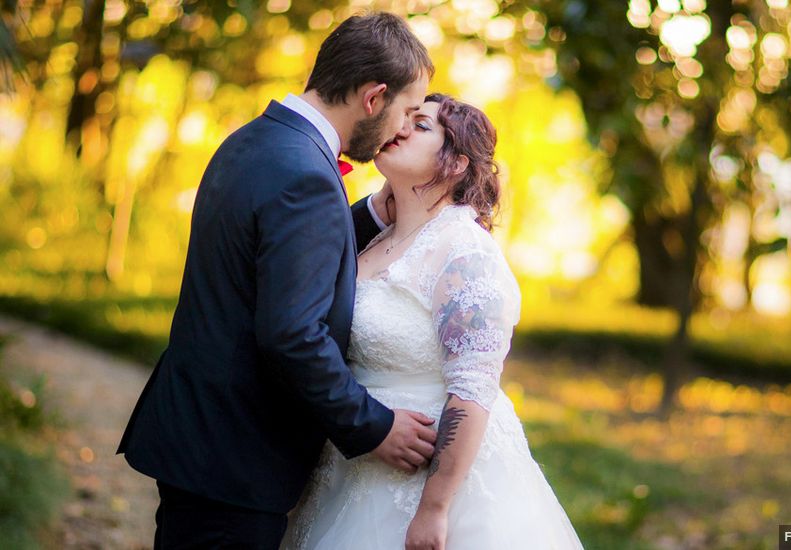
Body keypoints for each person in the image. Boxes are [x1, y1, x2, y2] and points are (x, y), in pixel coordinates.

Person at [117, 13, 439, 549]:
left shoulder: (258, 140)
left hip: (201, 436)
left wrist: (373, 217)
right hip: (235, 459)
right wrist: (374, 426)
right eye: (406, 111)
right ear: (373, 97)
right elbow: (293, 334)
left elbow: (272, 254)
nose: (404, 128)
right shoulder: (305, 175)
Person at [283, 94, 584, 549]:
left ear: (456, 164)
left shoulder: (465, 251)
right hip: (355, 465)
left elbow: (473, 387)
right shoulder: (376, 243)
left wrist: (435, 507)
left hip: (428, 482)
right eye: (405, 117)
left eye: (420, 125)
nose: (399, 127)